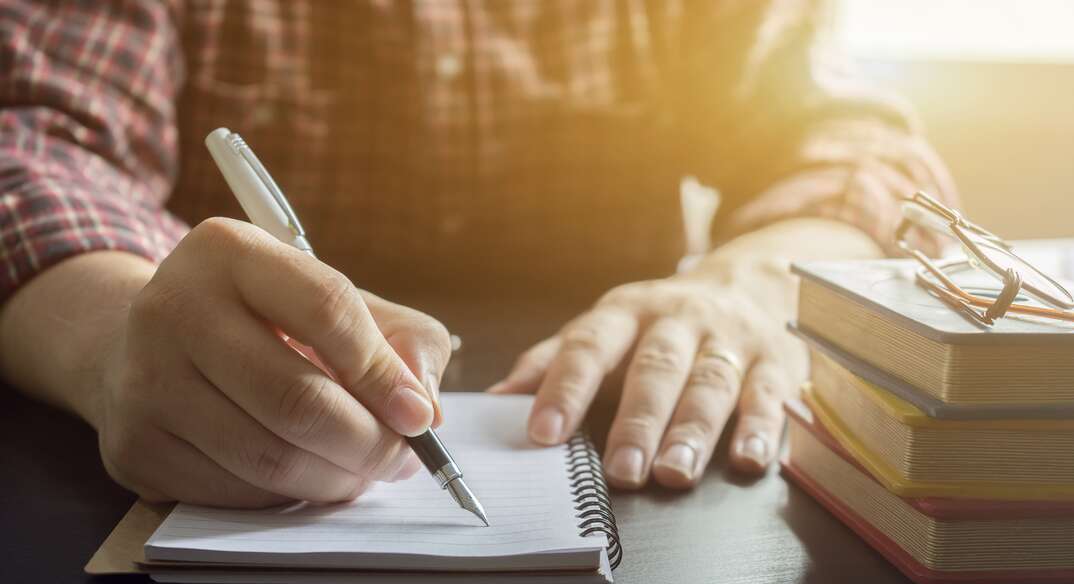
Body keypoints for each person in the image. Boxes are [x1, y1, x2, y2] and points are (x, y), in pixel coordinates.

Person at [0, 1, 954, 507]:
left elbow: (850, 137)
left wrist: (752, 280)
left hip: (644, 483)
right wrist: (117, 324)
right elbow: (30, 142)